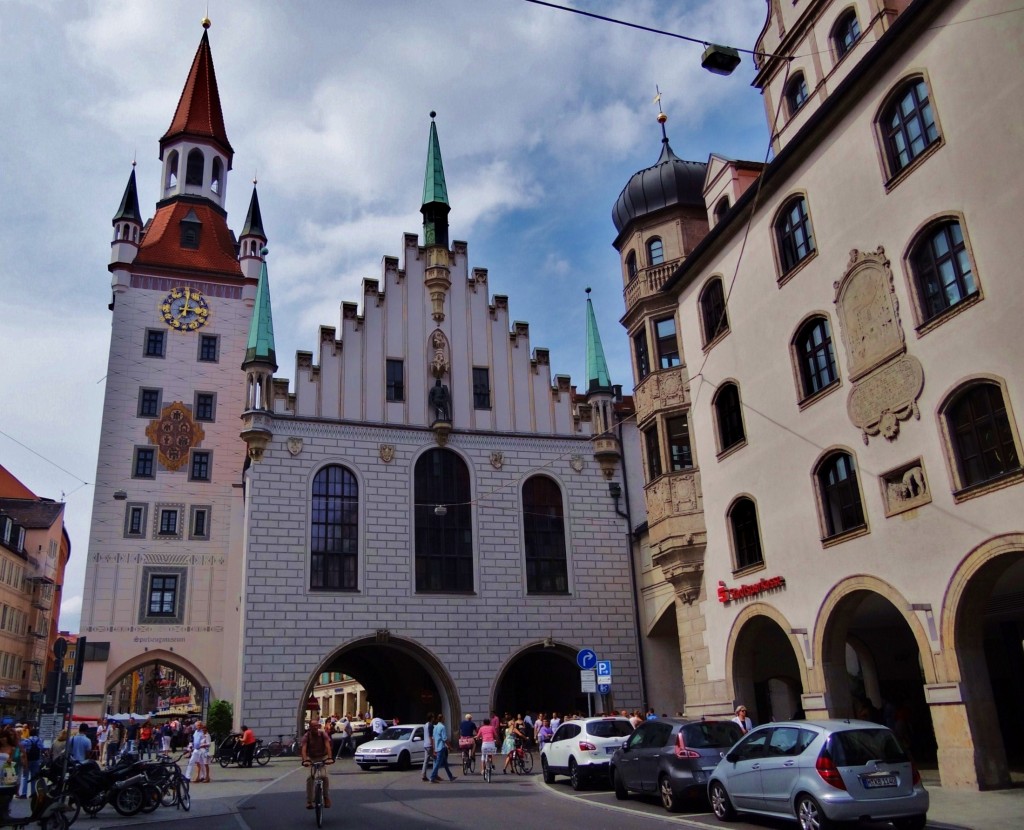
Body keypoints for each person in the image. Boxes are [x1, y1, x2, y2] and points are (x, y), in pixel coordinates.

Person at [300, 716, 334, 809]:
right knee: (310, 777)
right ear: (310, 727)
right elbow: (304, 749)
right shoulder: (307, 736)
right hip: (312, 758)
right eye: (313, 726)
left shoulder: (323, 734)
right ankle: (309, 801)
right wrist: (305, 760)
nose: (315, 728)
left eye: (317, 726)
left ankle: (326, 797)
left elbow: (328, 746)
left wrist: (330, 758)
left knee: (324, 776)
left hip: (323, 757)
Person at [427, 713, 455, 782]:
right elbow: (444, 738)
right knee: (437, 764)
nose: (444, 719)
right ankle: (432, 777)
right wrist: (450, 746)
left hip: (437, 747)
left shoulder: (435, 727)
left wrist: (433, 748)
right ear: (442, 719)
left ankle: (451, 776)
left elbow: (433, 738)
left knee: (445, 763)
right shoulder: (442, 727)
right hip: (441, 747)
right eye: (444, 718)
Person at [420, 713, 435, 781]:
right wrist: (433, 746)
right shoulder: (430, 725)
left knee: (426, 760)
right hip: (429, 744)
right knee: (436, 759)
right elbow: (430, 736)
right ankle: (434, 775)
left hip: (425, 744)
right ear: (431, 718)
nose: (434, 718)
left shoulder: (425, 725)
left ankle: (423, 774)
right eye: (433, 717)